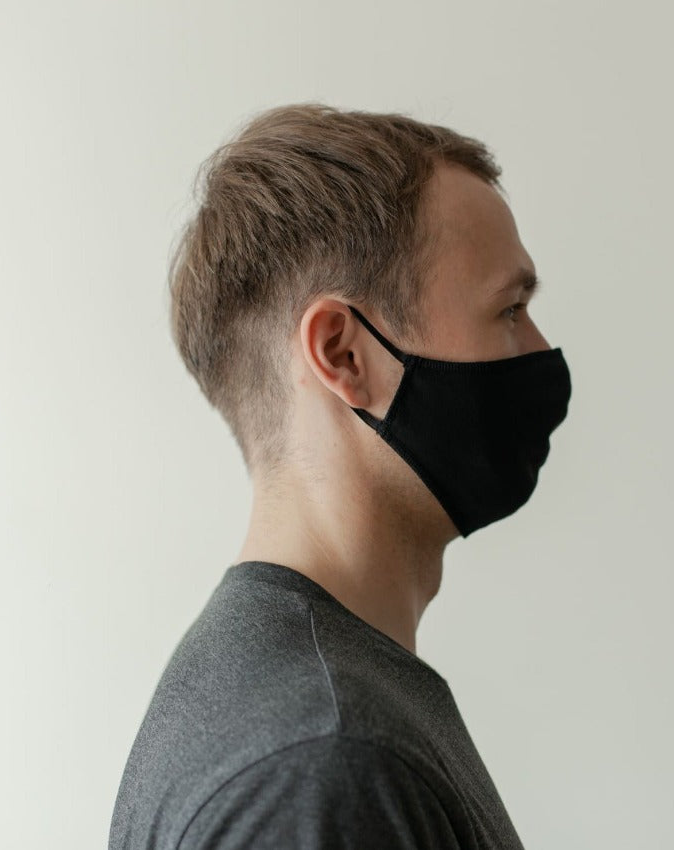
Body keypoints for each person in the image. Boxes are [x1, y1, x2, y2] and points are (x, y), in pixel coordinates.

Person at [108, 103, 572, 849]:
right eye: (510, 309)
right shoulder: (323, 766)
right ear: (344, 354)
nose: (541, 349)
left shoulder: (301, 706)